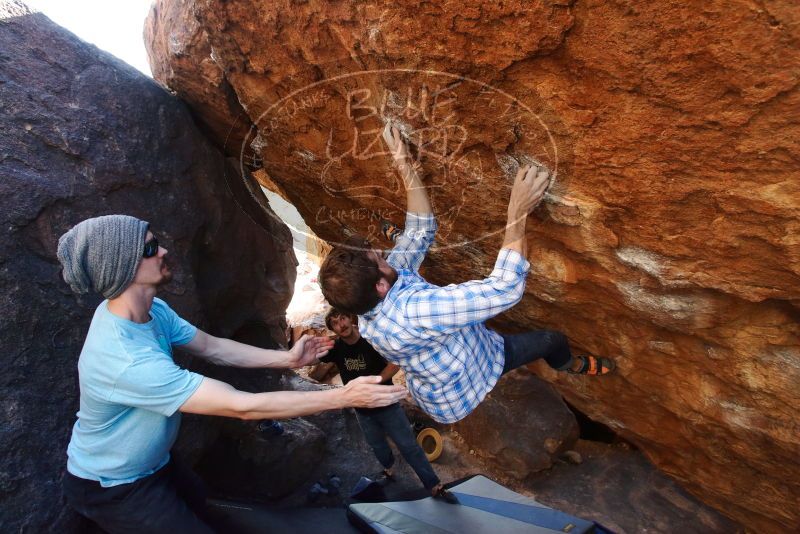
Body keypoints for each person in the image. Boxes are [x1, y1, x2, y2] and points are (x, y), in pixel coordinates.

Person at [56, 214, 407, 533]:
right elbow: (243, 407)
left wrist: (286, 360)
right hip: (115, 485)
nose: (163, 250)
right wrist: (342, 396)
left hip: (154, 463)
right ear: (123, 268)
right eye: (150, 248)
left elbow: (212, 348)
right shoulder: (127, 360)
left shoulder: (151, 310)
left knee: (203, 506)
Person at [319, 124, 615, 425]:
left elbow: (421, 229)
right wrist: (517, 212)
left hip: (445, 370)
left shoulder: (367, 296)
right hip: (469, 381)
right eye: (376, 257)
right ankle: (569, 364)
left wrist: (401, 161)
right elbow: (506, 288)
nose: (383, 253)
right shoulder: (415, 310)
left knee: (427, 263)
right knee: (552, 340)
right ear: (381, 285)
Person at [320, 308, 457, 503]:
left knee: (409, 446)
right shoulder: (336, 347)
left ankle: (434, 485)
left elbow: (396, 361)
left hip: (387, 405)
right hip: (361, 409)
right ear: (332, 328)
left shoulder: (371, 338)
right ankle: (389, 469)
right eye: (335, 322)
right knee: (377, 445)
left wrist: (378, 380)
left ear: (351, 317)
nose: (341, 324)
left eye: (342, 318)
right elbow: (315, 356)